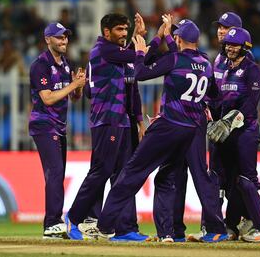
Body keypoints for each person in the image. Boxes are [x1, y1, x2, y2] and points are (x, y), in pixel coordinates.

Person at [79, 18, 227, 243]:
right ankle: (181, 232)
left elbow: (140, 73)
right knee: (170, 177)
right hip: (192, 129)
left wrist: (140, 52)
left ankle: (106, 225)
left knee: (132, 171)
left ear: (178, 39)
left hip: (168, 126)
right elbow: (215, 95)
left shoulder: (174, 58)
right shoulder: (205, 63)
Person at [65, 13, 162, 242]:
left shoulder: (120, 57)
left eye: (126, 29)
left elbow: (133, 84)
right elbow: (142, 56)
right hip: (107, 120)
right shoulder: (102, 50)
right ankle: (73, 217)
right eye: (119, 29)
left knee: (124, 176)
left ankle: (125, 228)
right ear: (106, 32)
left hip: (123, 122)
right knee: (101, 171)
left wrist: (139, 121)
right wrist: (157, 37)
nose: (123, 33)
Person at [207, 27, 260, 242]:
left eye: (234, 45)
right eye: (227, 44)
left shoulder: (252, 69)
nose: (230, 48)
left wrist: (229, 121)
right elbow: (217, 97)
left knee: (246, 180)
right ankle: (229, 226)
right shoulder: (223, 67)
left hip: (245, 132)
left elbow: (251, 104)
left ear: (245, 47)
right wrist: (211, 114)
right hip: (224, 133)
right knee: (223, 182)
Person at [29, 22, 86, 239]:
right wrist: (72, 86)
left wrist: (78, 86)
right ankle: (51, 223)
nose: (64, 41)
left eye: (66, 37)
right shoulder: (40, 65)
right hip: (43, 124)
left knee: (58, 173)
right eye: (59, 37)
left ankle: (54, 222)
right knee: (54, 172)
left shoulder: (66, 64)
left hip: (59, 126)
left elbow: (74, 96)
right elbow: (48, 98)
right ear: (47, 40)